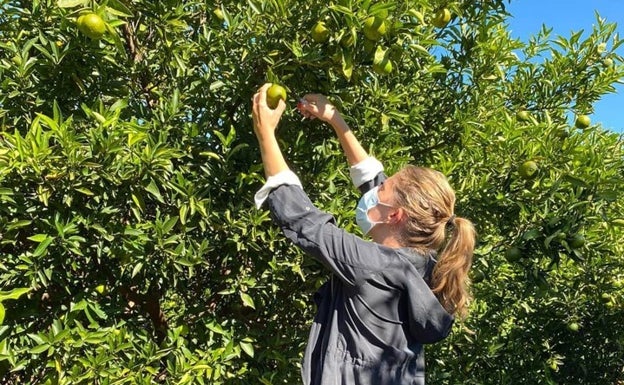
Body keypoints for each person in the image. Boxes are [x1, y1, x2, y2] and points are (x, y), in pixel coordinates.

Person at [251, 83, 476, 385]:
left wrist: (265, 133)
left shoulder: (371, 265)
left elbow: (304, 222)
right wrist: (334, 119)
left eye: (383, 190)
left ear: (395, 216)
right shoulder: (425, 268)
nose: (375, 191)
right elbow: (374, 181)